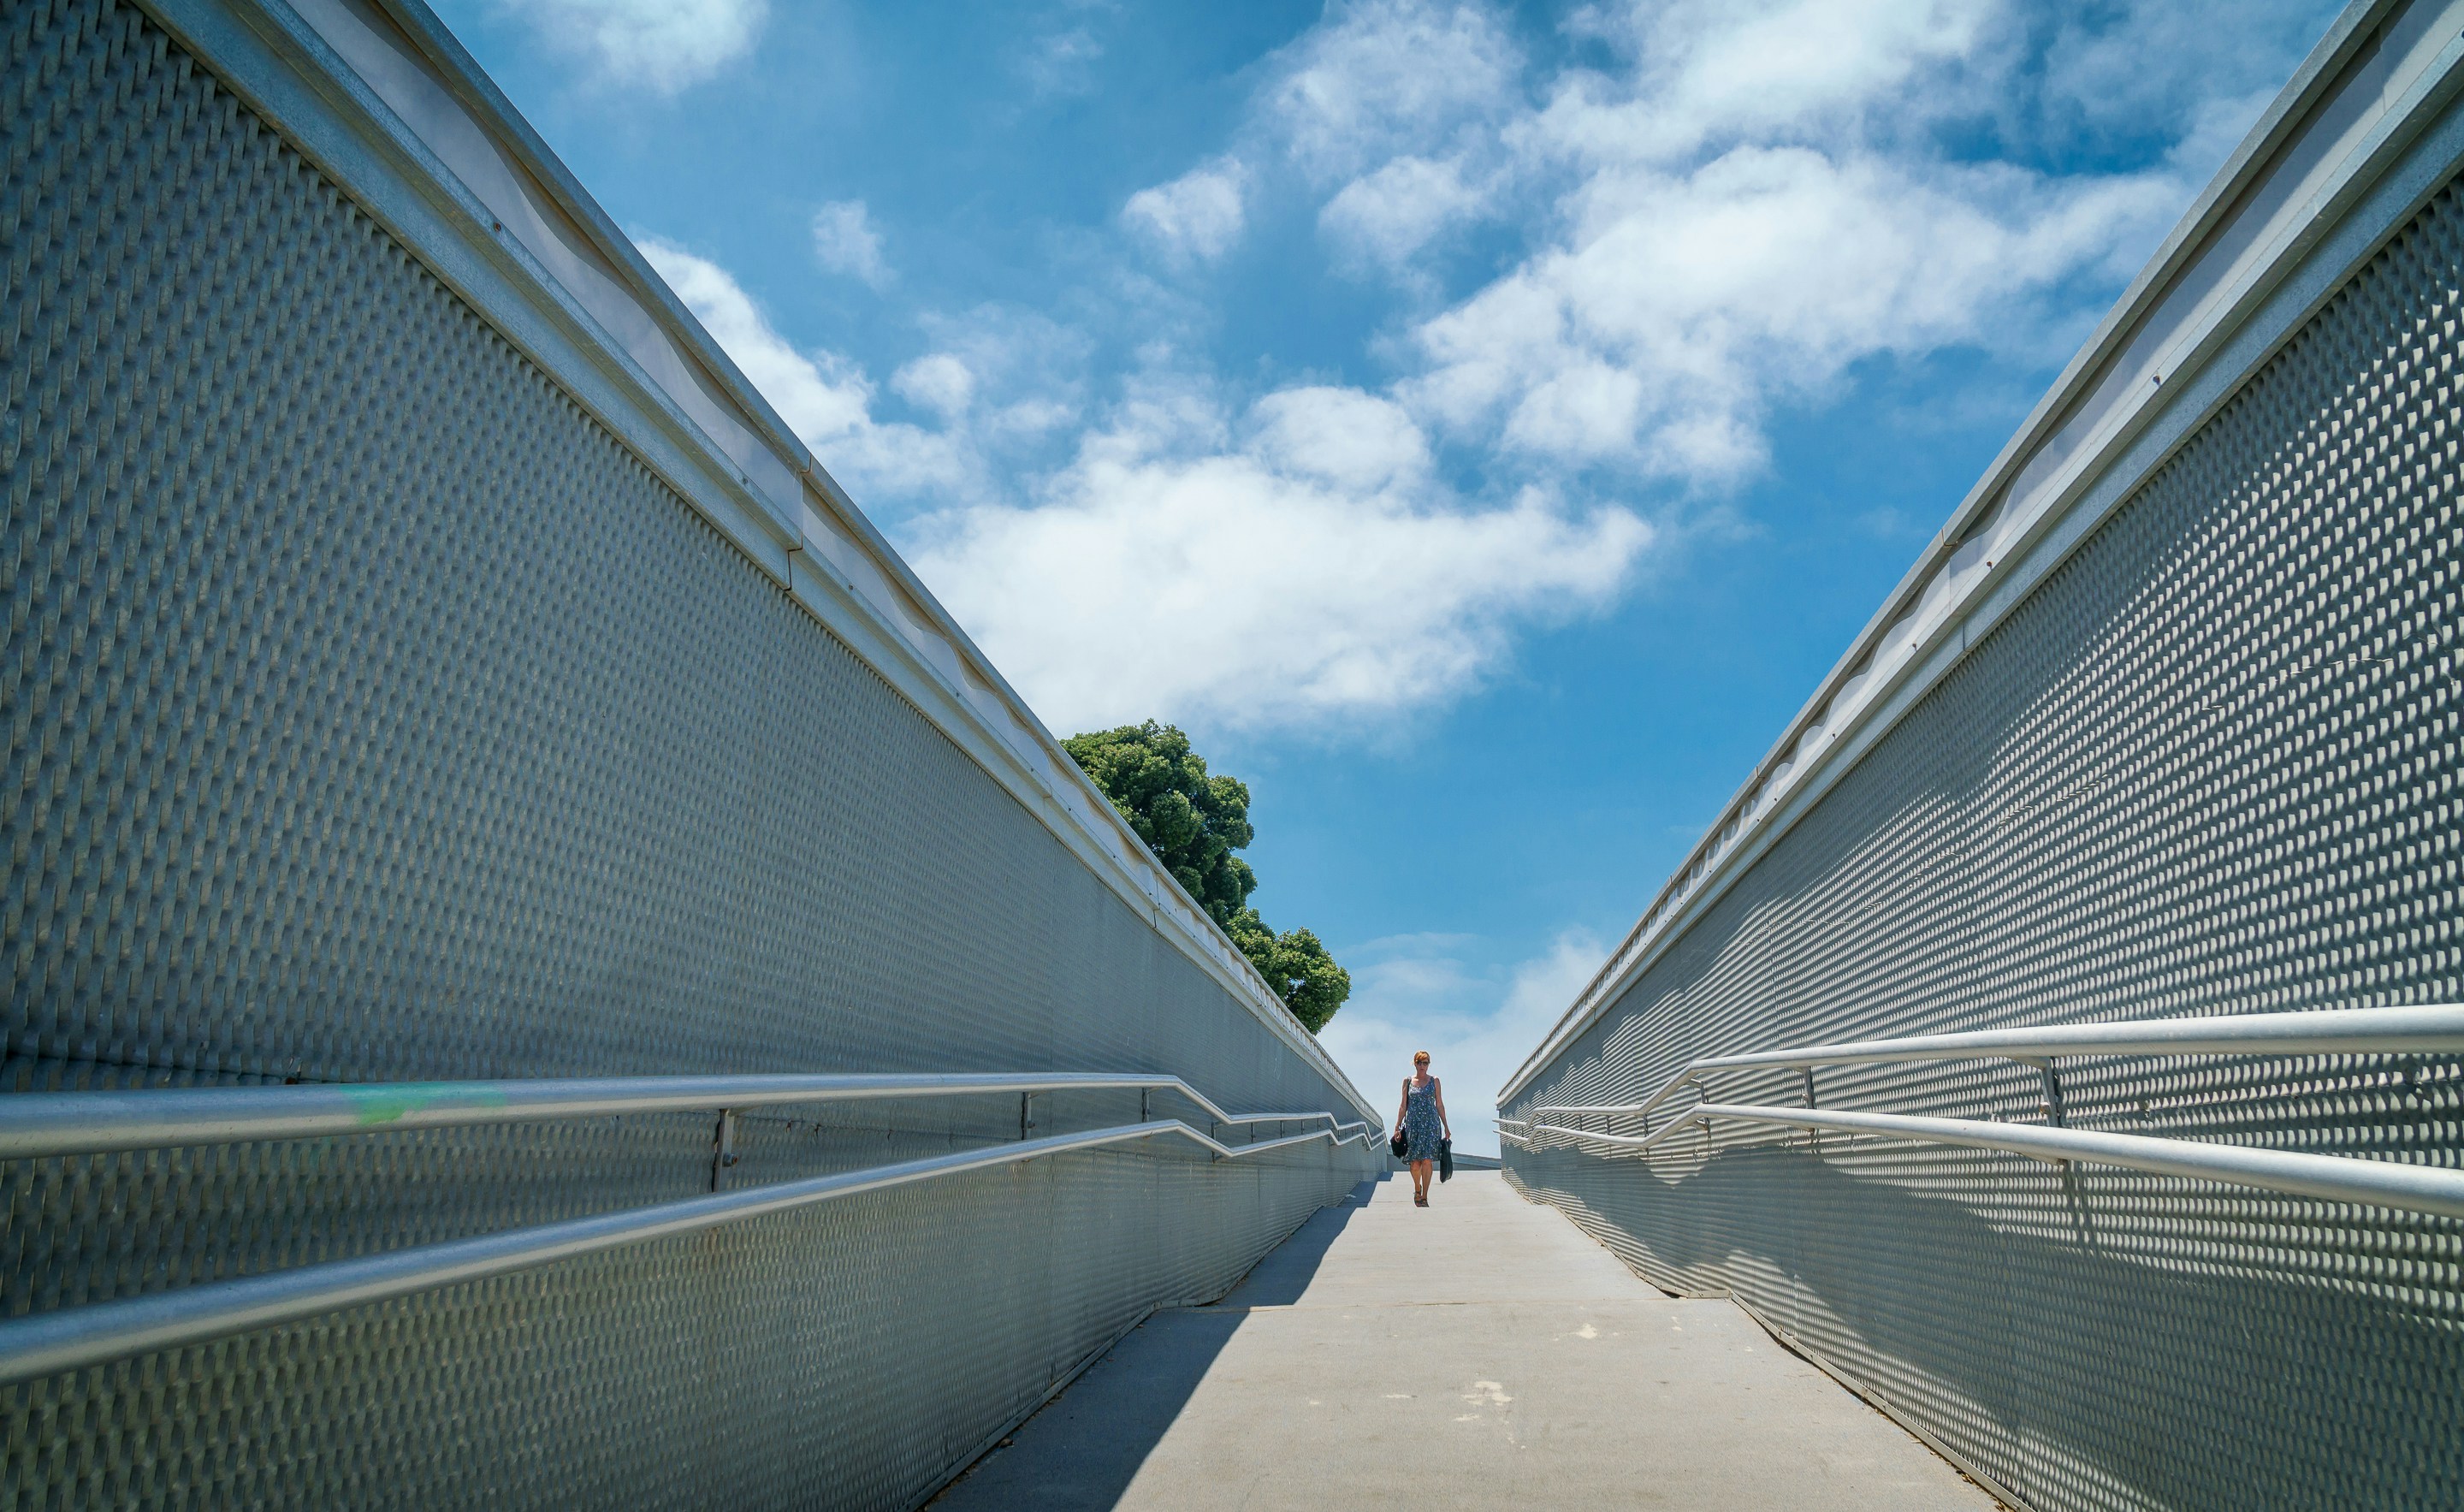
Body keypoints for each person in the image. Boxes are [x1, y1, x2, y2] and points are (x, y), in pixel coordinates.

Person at [1393, 1050, 1450, 1207]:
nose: (1422, 1066)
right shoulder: (1408, 1081)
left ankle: (1424, 1196)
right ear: (1415, 1063)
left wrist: (1446, 1126)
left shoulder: (1435, 1081)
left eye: (1426, 1063)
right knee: (1415, 1163)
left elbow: (1439, 1104)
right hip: (1413, 1125)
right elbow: (1403, 1105)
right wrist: (1397, 1126)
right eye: (1420, 1063)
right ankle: (1417, 1188)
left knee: (1427, 1160)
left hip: (1431, 1125)